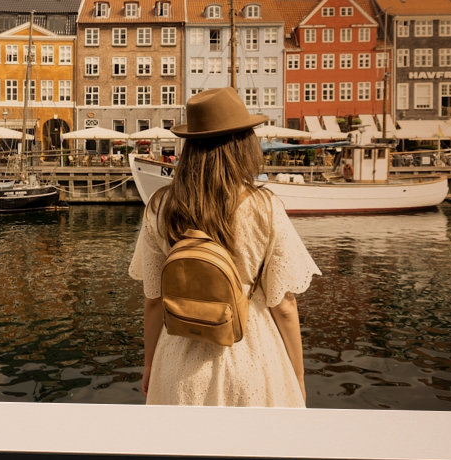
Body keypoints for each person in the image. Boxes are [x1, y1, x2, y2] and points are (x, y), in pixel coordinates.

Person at [129, 88, 321, 407]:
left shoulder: (160, 206)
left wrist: (150, 364)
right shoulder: (265, 206)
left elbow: (153, 301)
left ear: (189, 145)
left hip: (178, 362)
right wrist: (298, 376)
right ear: (242, 144)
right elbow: (284, 305)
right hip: (253, 355)